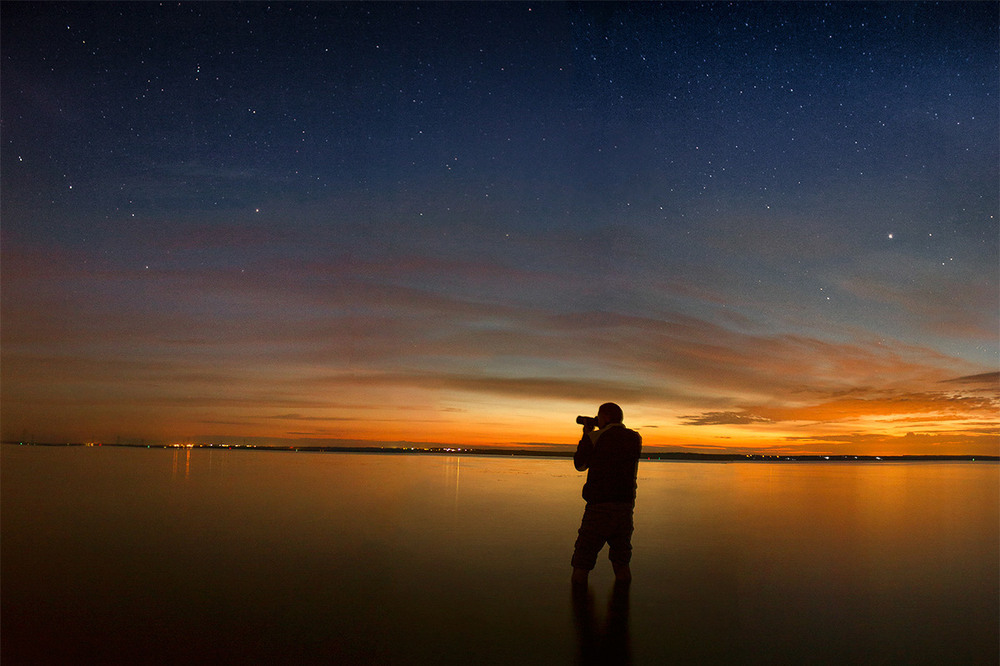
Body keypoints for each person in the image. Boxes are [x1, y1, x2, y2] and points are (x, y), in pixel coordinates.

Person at [571, 402, 642, 586]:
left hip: (598, 509)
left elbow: (580, 465)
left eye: (599, 416)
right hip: (625, 509)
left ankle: (580, 600)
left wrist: (586, 434)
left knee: (582, 563)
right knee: (621, 562)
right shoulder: (635, 438)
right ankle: (621, 601)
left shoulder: (595, 437)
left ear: (606, 417)